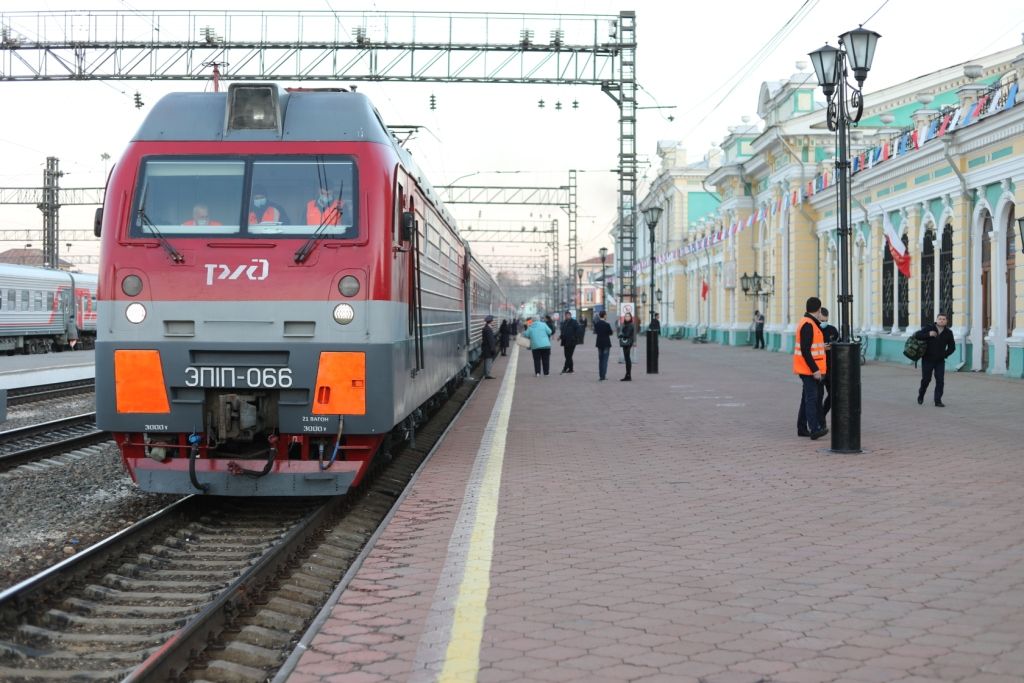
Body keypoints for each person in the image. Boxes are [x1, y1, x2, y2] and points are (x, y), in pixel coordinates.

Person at [794, 296, 828, 440]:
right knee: (812, 399)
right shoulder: (808, 324)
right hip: (809, 370)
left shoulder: (809, 323)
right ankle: (814, 429)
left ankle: (802, 428)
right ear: (819, 310)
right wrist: (815, 370)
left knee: (806, 399)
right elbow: (806, 350)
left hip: (806, 368)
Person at [914, 313, 955, 407]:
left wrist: (944, 355)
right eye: (940, 319)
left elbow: (952, 347)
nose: (942, 320)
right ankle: (921, 394)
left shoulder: (948, 332)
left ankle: (938, 400)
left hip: (940, 361)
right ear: (936, 320)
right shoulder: (929, 327)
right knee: (926, 379)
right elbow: (917, 335)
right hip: (927, 359)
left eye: (944, 319)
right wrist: (928, 334)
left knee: (940, 380)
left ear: (946, 321)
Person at [818, 307, 839, 419]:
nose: (824, 323)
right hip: (818, 369)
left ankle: (822, 415)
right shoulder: (815, 329)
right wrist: (822, 348)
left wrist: (833, 346)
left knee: (833, 395)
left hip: (830, 367)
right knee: (817, 396)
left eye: (826, 321)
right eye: (822, 321)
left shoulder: (833, 330)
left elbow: (839, 345)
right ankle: (817, 420)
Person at [593, 310, 613, 381]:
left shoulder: (597, 324)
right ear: (604, 315)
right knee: (605, 360)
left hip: (599, 343)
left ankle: (600, 375)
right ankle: (603, 376)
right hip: (606, 343)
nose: (606, 316)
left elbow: (595, 331)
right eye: (606, 315)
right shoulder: (607, 324)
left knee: (600, 360)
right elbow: (610, 333)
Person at [618, 312, 637, 381]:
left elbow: (628, 334)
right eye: (626, 316)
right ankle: (627, 375)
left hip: (628, 343)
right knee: (627, 358)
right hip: (626, 343)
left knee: (627, 359)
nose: (627, 317)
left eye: (628, 316)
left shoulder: (630, 325)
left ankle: (628, 375)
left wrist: (621, 335)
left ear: (630, 317)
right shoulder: (626, 324)